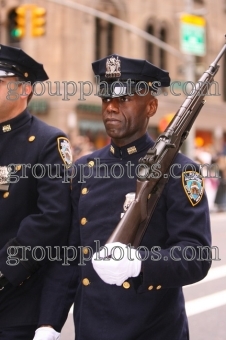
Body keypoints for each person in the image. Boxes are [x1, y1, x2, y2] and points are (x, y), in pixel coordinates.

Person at [34, 55, 212, 340]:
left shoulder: (180, 170)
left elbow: (196, 255)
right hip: (91, 328)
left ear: (150, 107)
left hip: (152, 329)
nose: (111, 108)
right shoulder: (84, 169)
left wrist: (139, 263)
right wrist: (48, 323)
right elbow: (68, 256)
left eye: (124, 99)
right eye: (106, 100)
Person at [0, 44, 72, 339]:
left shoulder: (48, 142)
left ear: (24, 89)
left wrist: (4, 271)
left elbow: (51, 218)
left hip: (17, 300)